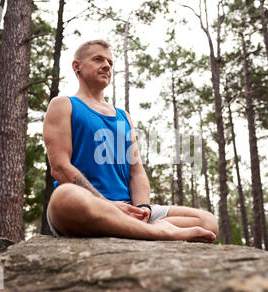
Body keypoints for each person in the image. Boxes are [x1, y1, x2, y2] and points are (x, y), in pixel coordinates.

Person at [43, 39, 218, 243]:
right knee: (64, 198)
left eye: (110, 62)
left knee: (207, 221)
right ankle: (161, 232)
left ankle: (142, 228)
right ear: (77, 66)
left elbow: (136, 171)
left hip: (128, 208)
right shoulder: (63, 105)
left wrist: (143, 209)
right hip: (88, 205)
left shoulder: (123, 116)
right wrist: (107, 204)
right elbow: (60, 167)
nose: (106, 65)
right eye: (98, 59)